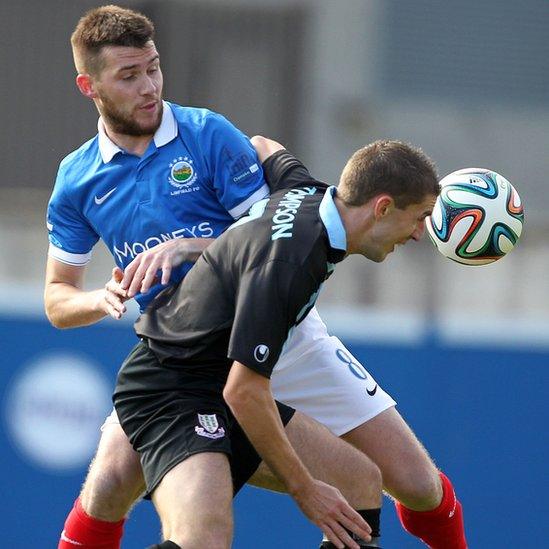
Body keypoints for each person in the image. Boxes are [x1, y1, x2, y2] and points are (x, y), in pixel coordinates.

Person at [45, 5, 467, 549]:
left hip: (279, 329)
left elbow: (266, 234)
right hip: (185, 355)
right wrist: (100, 296)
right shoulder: (77, 179)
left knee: (415, 484)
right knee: (108, 487)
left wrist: (188, 247)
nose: (149, 87)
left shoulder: (205, 134)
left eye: (153, 68)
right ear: (89, 86)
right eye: (129, 76)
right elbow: (58, 299)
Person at [112, 137, 438, 549]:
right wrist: (305, 489)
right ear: (384, 207)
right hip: (171, 390)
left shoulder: (306, 191)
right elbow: (244, 390)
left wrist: (204, 241)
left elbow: (262, 145)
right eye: (419, 218)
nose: (418, 235)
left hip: (212, 385)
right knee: (203, 540)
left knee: (360, 479)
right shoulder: (290, 263)